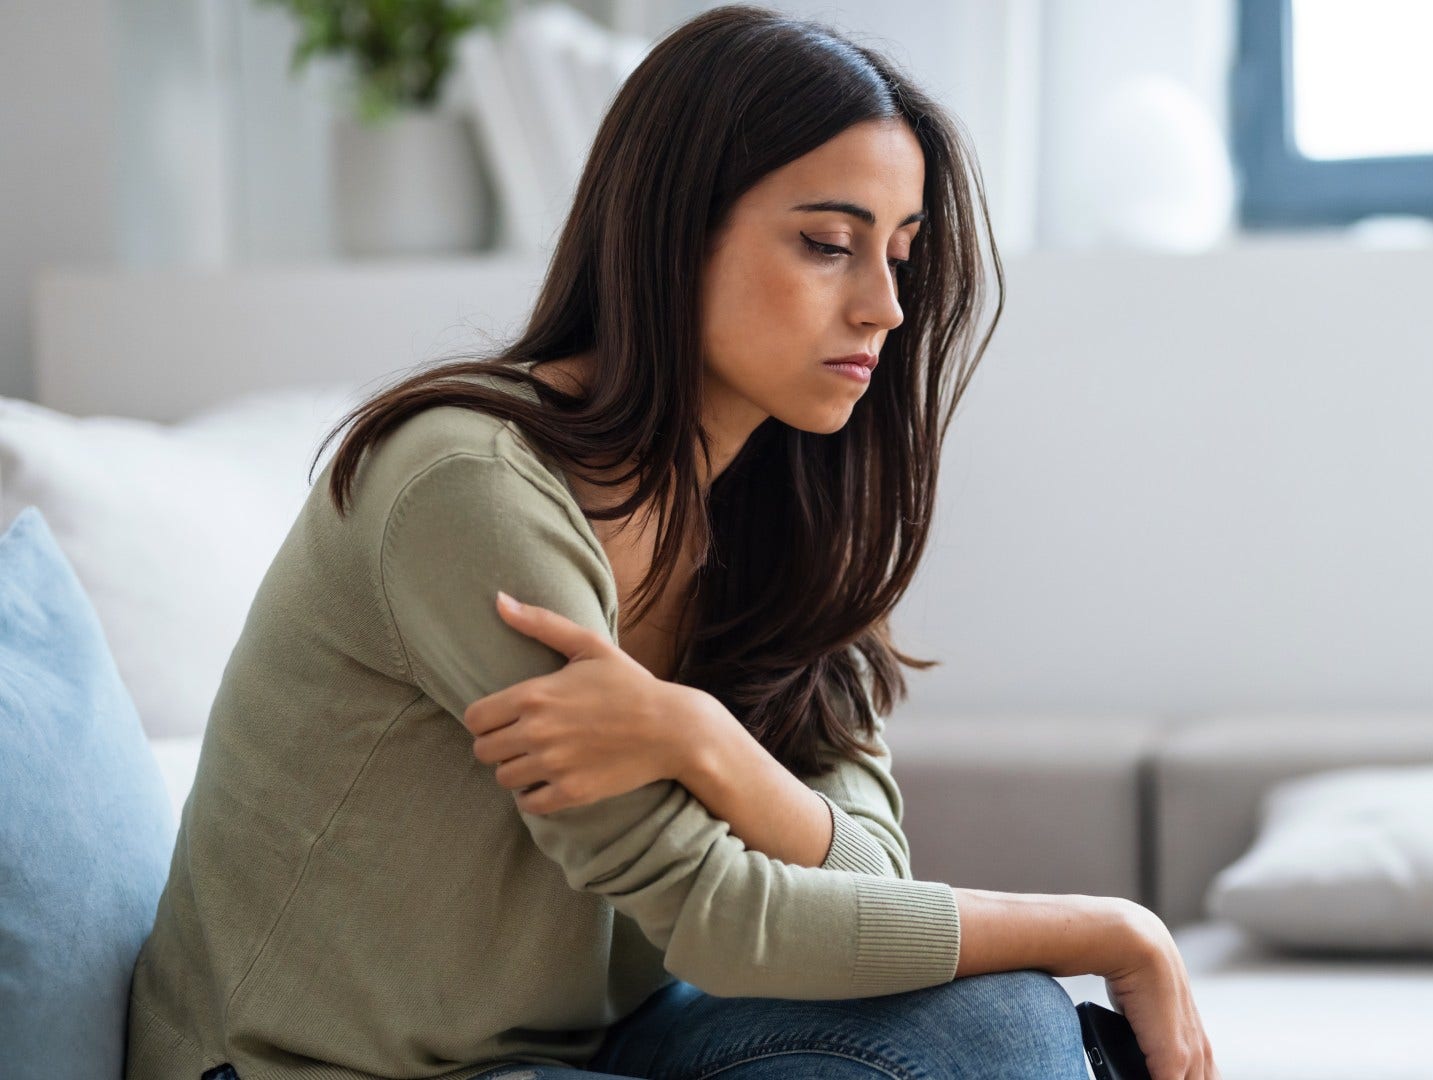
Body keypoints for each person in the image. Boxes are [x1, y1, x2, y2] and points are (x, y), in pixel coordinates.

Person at [123, 5, 1216, 1079]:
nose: (885, 304)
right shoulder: (472, 491)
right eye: (829, 244)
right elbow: (721, 920)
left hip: (587, 1041)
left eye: (901, 254)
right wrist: (1116, 930)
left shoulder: (777, 505)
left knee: (998, 1027)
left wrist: (706, 741)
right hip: (311, 1066)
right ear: (672, 234)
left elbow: (870, 868)